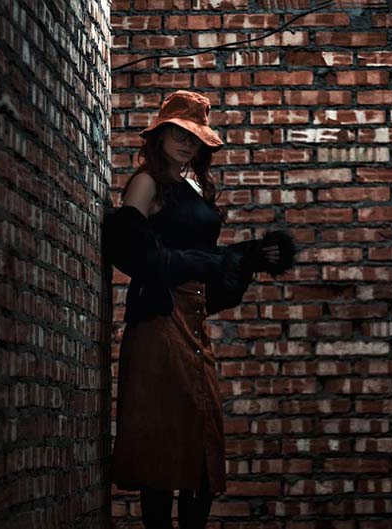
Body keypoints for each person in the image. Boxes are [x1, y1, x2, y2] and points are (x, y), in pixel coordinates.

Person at [101, 90, 296, 529]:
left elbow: (205, 259)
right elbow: (134, 252)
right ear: (162, 132)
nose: (187, 143)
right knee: (164, 441)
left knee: (203, 438)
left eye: (196, 137)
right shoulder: (147, 182)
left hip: (195, 316)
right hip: (158, 318)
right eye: (180, 133)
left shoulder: (195, 185)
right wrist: (209, 262)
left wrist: (246, 257)